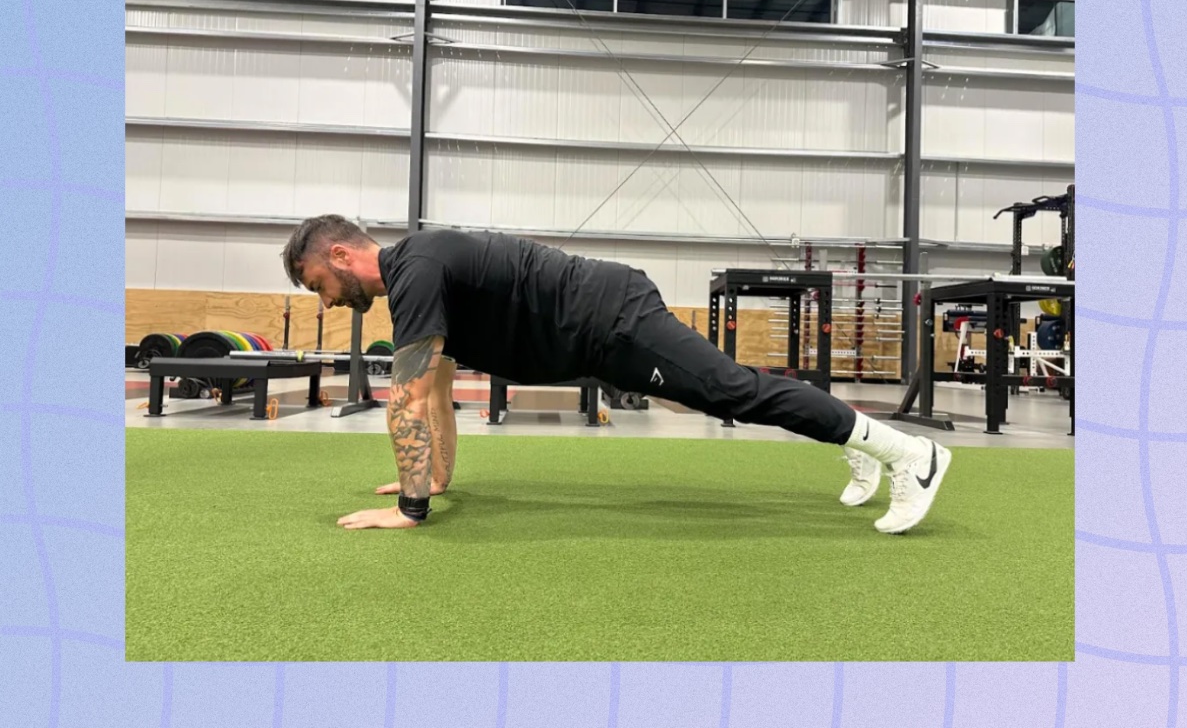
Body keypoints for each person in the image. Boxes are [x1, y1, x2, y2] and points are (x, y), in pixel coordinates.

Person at [281, 215, 951, 534]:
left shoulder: (414, 270)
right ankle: (859, 449)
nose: (327, 301)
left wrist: (408, 508)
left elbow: (411, 395)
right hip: (599, 332)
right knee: (735, 388)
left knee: (730, 391)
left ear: (341, 254)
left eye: (319, 284)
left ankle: (909, 453)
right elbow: (442, 390)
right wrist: (432, 478)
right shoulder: (417, 278)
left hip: (612, 322)